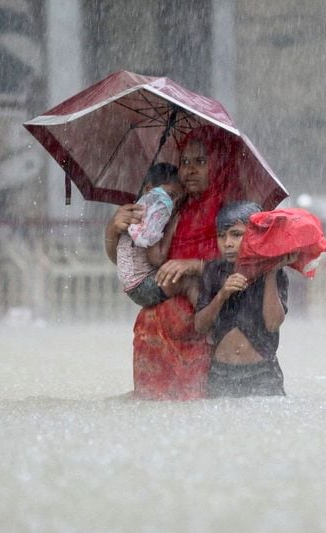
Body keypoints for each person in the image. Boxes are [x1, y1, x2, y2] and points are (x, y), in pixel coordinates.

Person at [105, 126, 245, 400]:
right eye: (185, 162)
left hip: (202, 330)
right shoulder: (167, 206)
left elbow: (242, 265)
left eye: (201, 162)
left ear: (217, 166)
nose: (190, 170)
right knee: (153, 415)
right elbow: (129, 264)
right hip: (154, 330)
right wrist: (112, 230)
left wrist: (195, 265)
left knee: (195, 412)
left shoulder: (229, 210)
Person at [194, 201, 296, 397]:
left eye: (236, 234)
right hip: (221, 373)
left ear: (254, 236)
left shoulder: (274, 271)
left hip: (262, 374)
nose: (228, 243)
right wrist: (222, 295)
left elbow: (273, 323)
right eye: (221, 236)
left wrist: (271, 273)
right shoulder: (213, 271)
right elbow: (200, 326)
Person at [116, 163, 198, 307]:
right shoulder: (152, 216)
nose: (173, 204)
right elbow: (157, 259)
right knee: (190, 283)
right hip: (143, 285)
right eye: (171, 195)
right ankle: (205, 320)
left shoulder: (139, 209)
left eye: (179, 200)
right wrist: (172, 229)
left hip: (133, 285)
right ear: (149, 189)